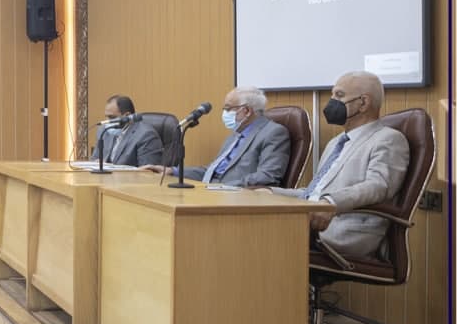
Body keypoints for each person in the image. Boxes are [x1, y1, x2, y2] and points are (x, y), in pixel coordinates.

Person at [266, 71, 409, 258]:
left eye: (339, 95)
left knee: (258, 236)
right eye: (332, 95)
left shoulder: (388, 138)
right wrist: (269, 193)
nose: (332, 101)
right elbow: (314, 193)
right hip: (313, 222)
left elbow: (378, 186)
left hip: (344, 230)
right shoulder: (336, 142)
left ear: (363, 103)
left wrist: (331, 203)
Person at [142, 86, 290, 187]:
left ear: (246, 111)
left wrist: (223, 187)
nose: (225, 113)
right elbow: (211, 171)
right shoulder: (236, 135)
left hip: (239, 198)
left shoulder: (274, 133)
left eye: (228, 108)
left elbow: (267, 176)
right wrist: (172, 171)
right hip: (213, 191)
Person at [89, 95, 163, 167]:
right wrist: (96, 163)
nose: (108, 122)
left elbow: (148, 171)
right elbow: (94, 159)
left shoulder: (146, 135)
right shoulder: (104, 131)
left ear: (127, 116)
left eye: (112, 117)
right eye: (107, 117)